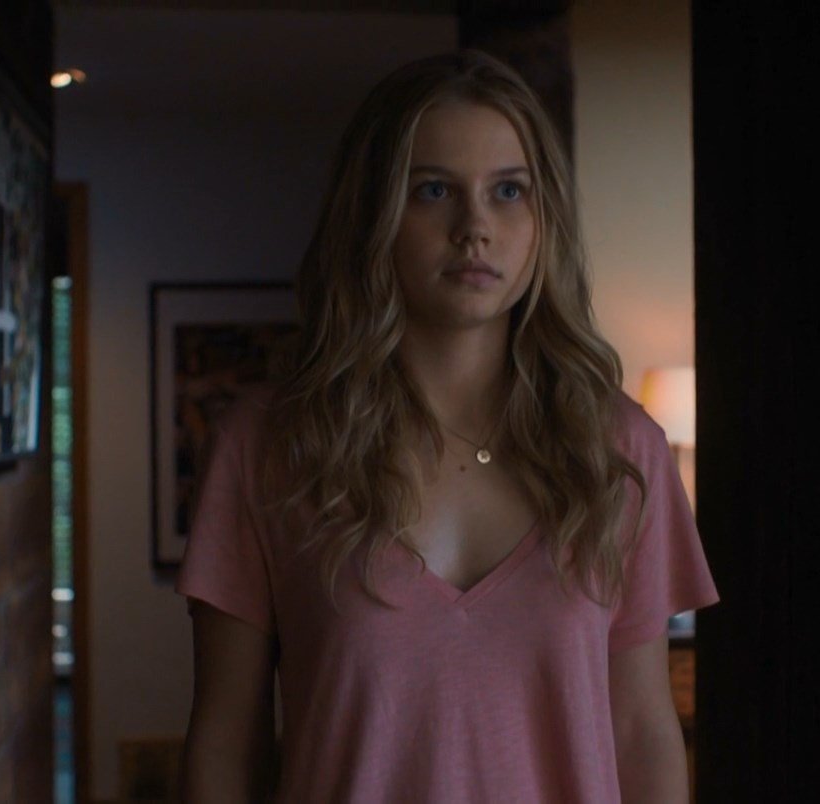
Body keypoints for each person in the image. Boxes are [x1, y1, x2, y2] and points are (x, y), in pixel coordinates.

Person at [175, 49, 718, 803]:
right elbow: (226, 744)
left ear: (546, 217)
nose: (475, 228)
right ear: (374, 212)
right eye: (433, 190)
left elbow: (642, 733)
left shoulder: (619, 450)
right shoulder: (268, 445)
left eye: (508, 191)